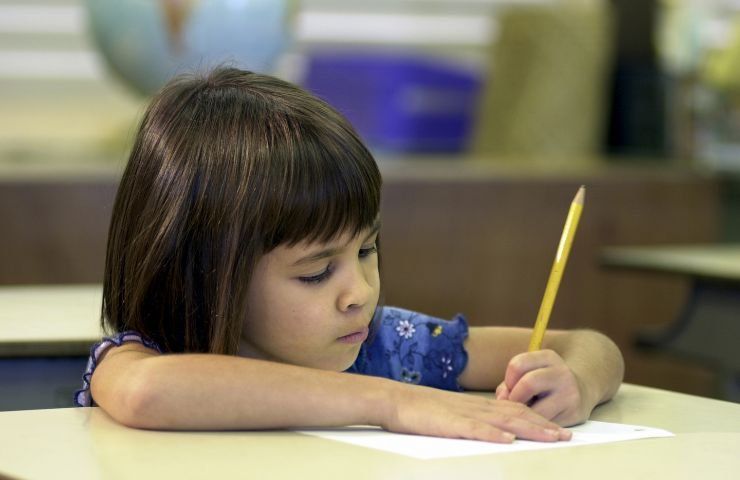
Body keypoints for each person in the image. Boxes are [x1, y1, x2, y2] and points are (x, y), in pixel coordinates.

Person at [74, 67, 624, 444]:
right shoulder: (143, 357)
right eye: (316, 273)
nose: (359, 292)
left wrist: (577, 382)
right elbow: (147, 393)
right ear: (206, 273)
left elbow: (588, 345)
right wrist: (390, 402)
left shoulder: (381, 343)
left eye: (366, 249)